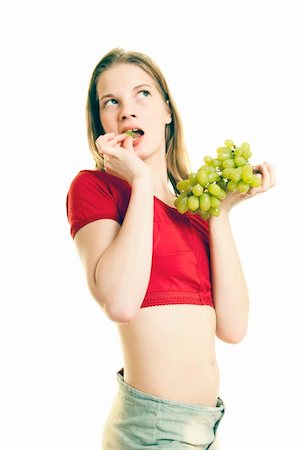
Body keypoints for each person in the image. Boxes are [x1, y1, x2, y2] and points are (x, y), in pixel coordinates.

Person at [66, 47, 276, 450]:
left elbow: (233, 328)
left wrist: (221, 214)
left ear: (167, 110)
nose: (128, 111)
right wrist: (141, 182)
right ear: (101, 123)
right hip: (151, 429)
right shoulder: (94, 189)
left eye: (142, 94)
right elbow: (121, 303)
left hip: (206, 427)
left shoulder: (194, 208)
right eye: (112, 102)